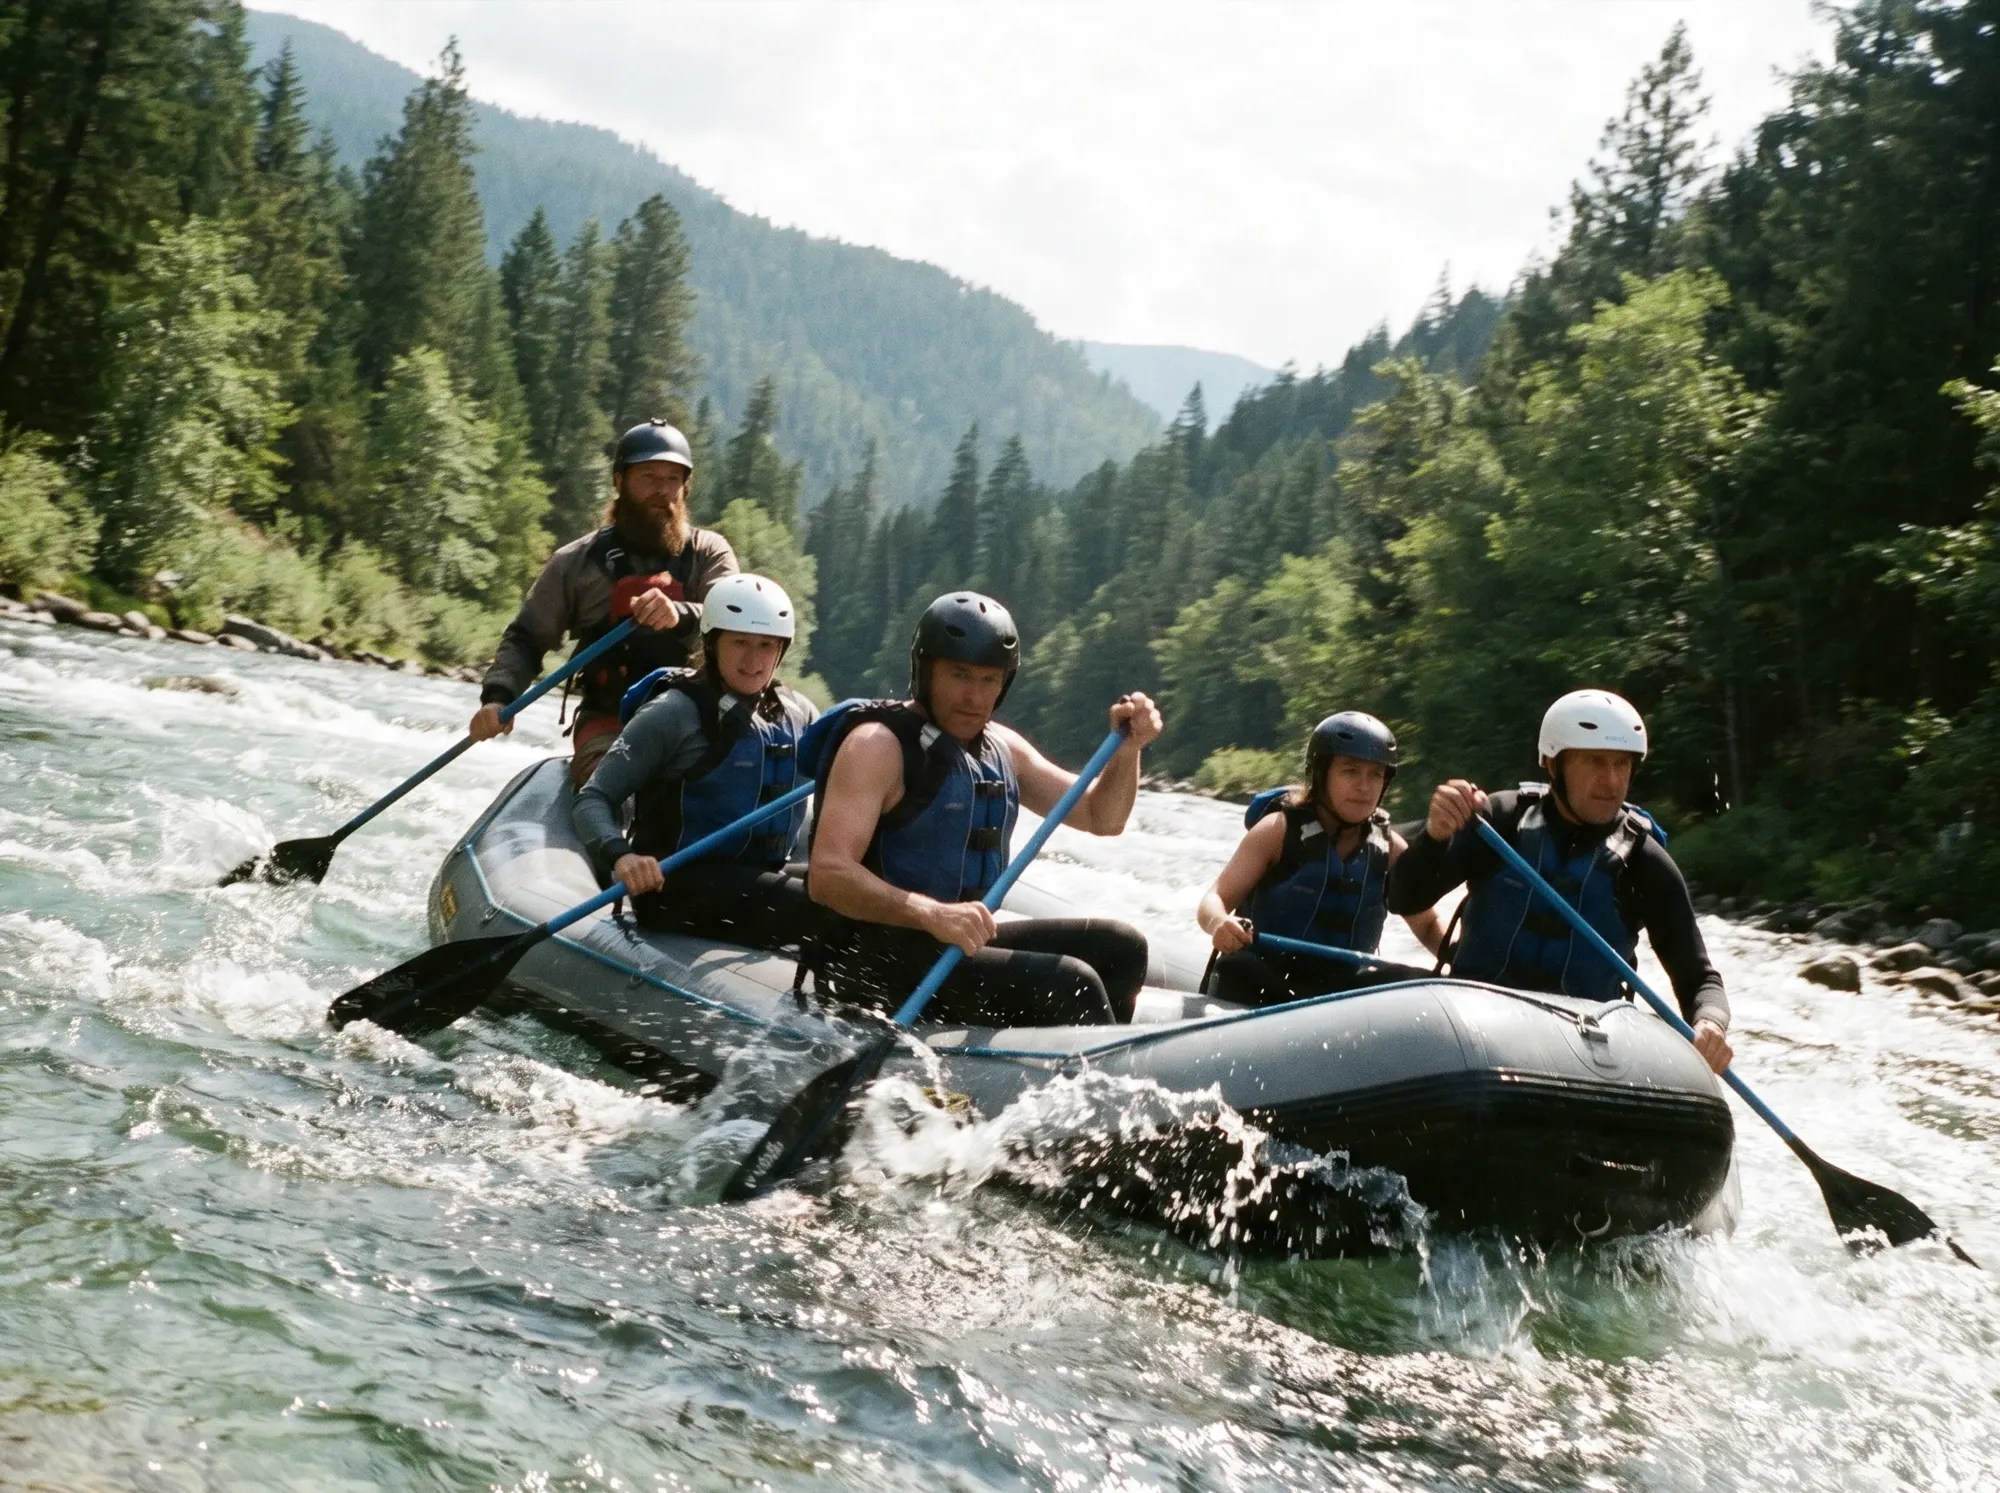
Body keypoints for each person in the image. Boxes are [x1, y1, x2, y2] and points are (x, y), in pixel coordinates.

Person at [803, 591, 1163, 1027]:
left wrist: (1128, 750)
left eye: (989, 680)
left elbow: (1101, 817)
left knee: (1121, 947)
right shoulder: (876, 746)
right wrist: (931, 913)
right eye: (960, 675)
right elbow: (828, 876)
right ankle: (1089, 1066)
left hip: (952, 948)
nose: (975, 696)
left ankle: (1081, 1057)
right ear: (925, 671)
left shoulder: (1002, 747)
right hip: (873, 956)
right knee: (1070, 982)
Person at [1386, 689, 1734, 1074]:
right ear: (1554, 765)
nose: (1611, 780)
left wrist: (1710, 1022)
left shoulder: (1644, 862)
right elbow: (1404, 897)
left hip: (1579, 1051)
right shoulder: (1500, 822)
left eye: (1621, 764)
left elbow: (1699, 978)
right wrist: (1435, 838)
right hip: (1476, 1029)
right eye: (1595, 762)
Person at [470, 419, 739, 785]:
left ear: (686, 487)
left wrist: (680, 614)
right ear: (619, 481)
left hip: (694, 719)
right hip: (609, 720)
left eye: (673, 479)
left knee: (714, 785)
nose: (662, 490)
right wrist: (498, 697)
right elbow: (527, 638)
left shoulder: (709, 553)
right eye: (648, 477)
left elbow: (730, 618)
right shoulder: (576, 562)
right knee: (612, 782)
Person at [572, 574, 820, 948]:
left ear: (780, 650)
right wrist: (622, 858)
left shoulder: (801, 714)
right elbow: (592, 798)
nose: (753, 659)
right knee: (821, 910)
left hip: (760, 878)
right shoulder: (673, 712)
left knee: (852, 901)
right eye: (740, 642)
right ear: (712, 643)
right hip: (674, 886)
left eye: (766, 645)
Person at [1196, 712, 1444, 1006]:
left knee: (1417, 983)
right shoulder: (1277, 831)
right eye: (1350, 771)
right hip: (1268, 978)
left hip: (1339, 994)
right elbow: (1214, 899)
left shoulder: (1390, 849)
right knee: (1239, 968)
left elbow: (1428, 925)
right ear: (1321, 774)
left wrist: (1459, 960)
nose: (1364, 786)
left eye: (1375, 774)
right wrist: (1220, 922)